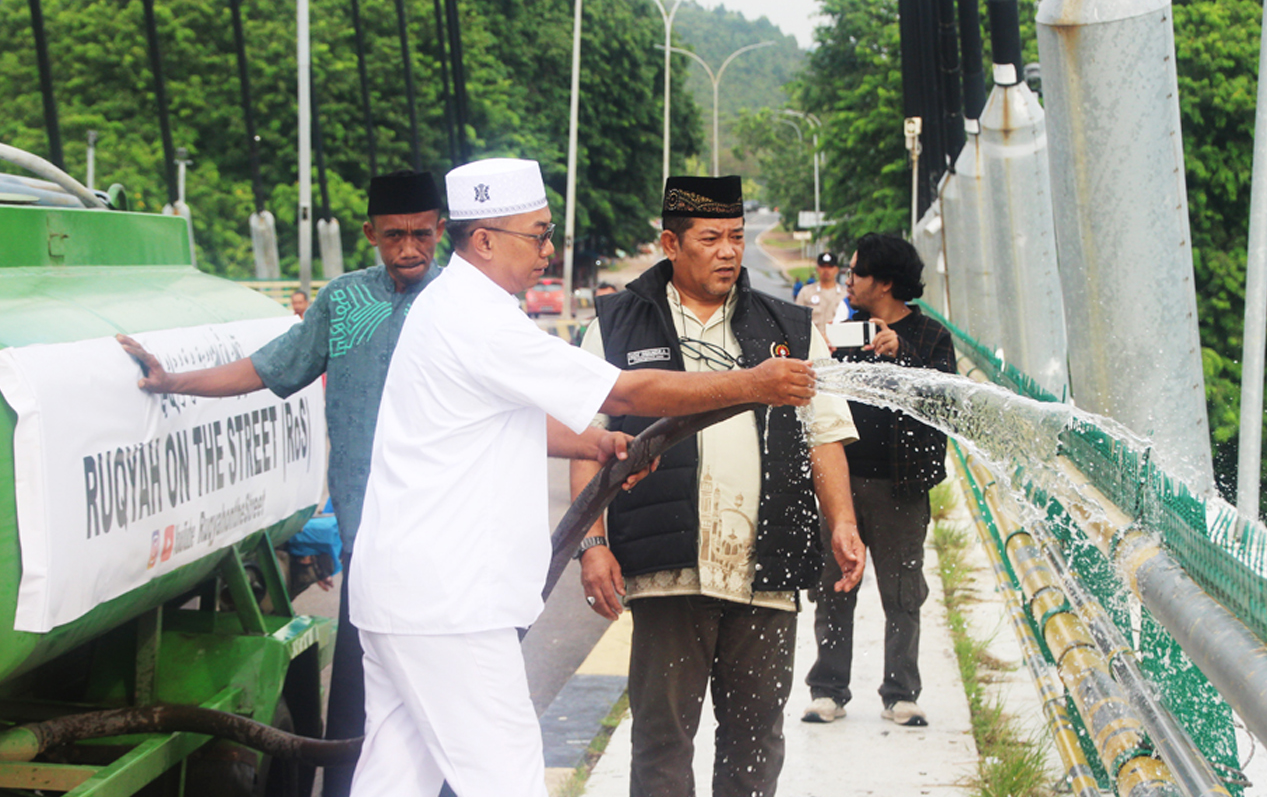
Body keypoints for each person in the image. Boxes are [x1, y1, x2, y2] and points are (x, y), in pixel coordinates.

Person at [346, 159, 822, 797]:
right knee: (507, 779)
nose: (548, 251)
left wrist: (596, 441)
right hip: (448, 603)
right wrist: (751, 383)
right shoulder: (476, 317)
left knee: (394, 779)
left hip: (407, 596)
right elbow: (626, 389)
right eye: (536, 235)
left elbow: (494, 421)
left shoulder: (452, 308)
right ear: (483, 239)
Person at [117, 168, 445, 797]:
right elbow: (272, 367)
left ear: (442, 232)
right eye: (395, 235)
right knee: (358, 711)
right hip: (371, 546)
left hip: (450, 544)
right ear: (371, 233)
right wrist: (174, 382)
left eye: (423, 235)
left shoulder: (463, 302)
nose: (410, 249)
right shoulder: (345, 303)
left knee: (455, 715)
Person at [573, 175, 867, 797]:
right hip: (667, 568)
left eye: (736, 237)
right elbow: (588, 437)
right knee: (661, 741)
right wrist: (592, 542)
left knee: (756, 741)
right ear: (670, 244)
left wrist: (842, 521)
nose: (730, 251)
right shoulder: (619, 323)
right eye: (711, 238)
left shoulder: (785, 324)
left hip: (767, 568)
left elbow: (824, 433)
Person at [801, 232, 955, 728]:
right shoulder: (846, 334)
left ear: (885, 283)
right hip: (842, 484)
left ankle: (900, 693)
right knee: (834, 587)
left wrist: (903, 353)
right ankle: (828, 689)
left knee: (903, 591)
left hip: (901, 488)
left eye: (858, 272)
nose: (849, 279)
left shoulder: (932, 338)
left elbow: (945, 404)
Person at [795, 252, 846, 330]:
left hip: (837, 340)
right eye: (823, 267)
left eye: (830, 267)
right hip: (813, 340)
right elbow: (797, 319)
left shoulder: (844, 294)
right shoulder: (806, 293)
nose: (826, 270)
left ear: (836, 269)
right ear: (817, 268)